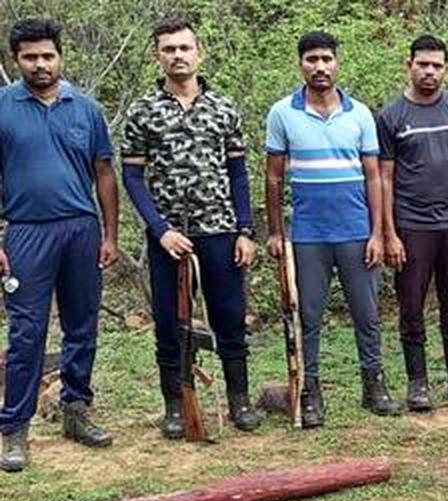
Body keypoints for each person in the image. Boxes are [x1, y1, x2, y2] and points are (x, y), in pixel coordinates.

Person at [121, 16, 261, 439]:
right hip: (169, 239)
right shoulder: (144, 111)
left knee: (230, 317)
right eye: (169, 49)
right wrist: (160, 229)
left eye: (184, 48)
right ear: (157, 56)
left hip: (219, 230)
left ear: (199, 53)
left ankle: (239, 399)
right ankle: (177, 405)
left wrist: (245, 230)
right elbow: (132, 177)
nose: (177, 56)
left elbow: (238, 173)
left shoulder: (223, 108)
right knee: (170, 323)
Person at [0, 18, 119, 472]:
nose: (40, 64)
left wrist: (110, 234)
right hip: (27, 231)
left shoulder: (85, 109)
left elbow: (104, 173)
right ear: (17, 60)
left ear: (60, 57)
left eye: (47, 55)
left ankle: (76, 410)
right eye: (30, 57)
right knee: (27, 332)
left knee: (82, 325)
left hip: (81, 230)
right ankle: (14, 429)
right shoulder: (4, 107)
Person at [265, 31, 398, 428]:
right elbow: (273, 179)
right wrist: (275, 232)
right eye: (311, 59)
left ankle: (374, 385)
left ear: (337, 63)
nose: (319, 67)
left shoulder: (359, 114)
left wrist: (377, 232)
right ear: (300, 64)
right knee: (308, 316)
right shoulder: (283, 113)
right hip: (308, 236)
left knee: (367, 313)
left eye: (326, 58)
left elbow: (374, 177)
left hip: (356, 232)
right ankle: (309, 391)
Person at [377, 35, 448, 410]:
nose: (429, 71)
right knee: (411, 306)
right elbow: (385, 178)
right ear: (408, 65)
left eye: (437, 65)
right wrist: (389, 232)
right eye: (422, 64)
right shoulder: (391, 116)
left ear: (446, 69)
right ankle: (418, 382)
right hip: (412, 226)